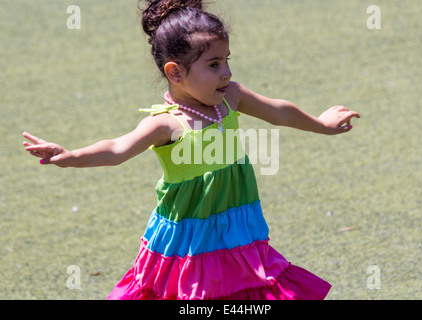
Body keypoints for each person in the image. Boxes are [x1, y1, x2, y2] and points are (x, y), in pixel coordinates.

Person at [23, 0, 360, 300]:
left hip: (236, 223)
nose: (226, 72)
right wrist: (69, 156)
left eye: (227, 60)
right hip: (188, 238)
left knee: (247, 287)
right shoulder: (166, 124)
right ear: (175, 72)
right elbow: (116, 149)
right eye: (213, 64)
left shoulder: (231, 98)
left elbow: (279, 111)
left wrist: (322, 124)